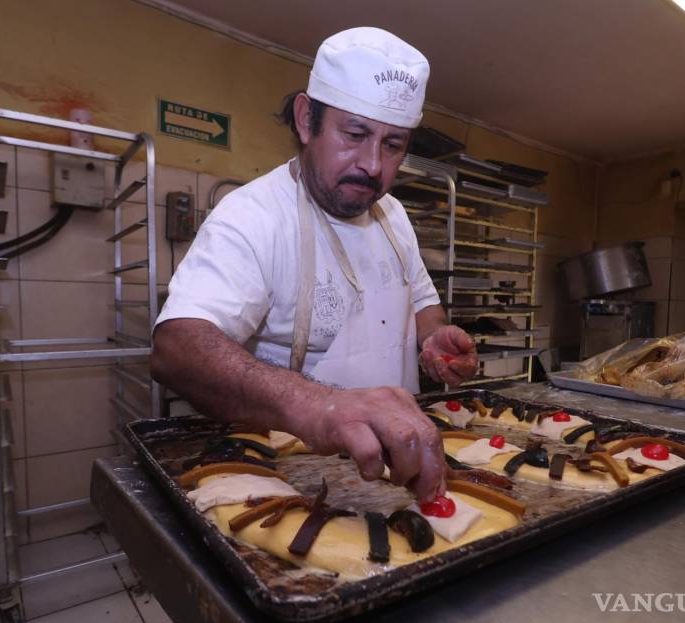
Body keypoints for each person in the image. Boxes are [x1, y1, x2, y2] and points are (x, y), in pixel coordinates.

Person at [152, 27, 478, 502]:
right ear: (307, 120)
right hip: (294, 482)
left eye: (393, 145)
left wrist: (434, 340)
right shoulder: (254, 215)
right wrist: (322, 407)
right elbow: (176, 349)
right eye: (355, 134)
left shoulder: (394, 215)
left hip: (402, 468)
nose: (372, 165)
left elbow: (423, 305)